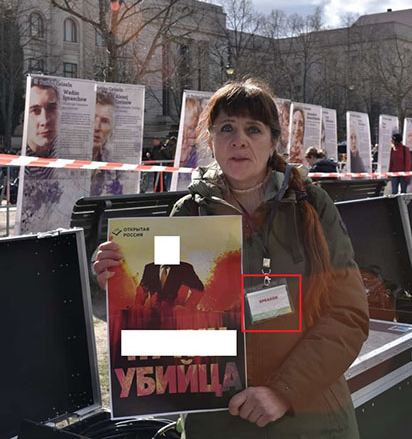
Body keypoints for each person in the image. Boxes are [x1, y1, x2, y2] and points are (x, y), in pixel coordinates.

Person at [94, 79, 368, 438]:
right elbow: (163, 313)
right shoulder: (189, 213)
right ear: (210, 140)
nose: (239, 140)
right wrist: (120, 280)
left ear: (273, 141)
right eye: (227, 128)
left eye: (253, 129)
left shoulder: (311, 206)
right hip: (217, 420)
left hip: (309, 419)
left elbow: (347, 314)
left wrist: (283, 392)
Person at [25, 83, 60, 179]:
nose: (44, 120)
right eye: (35, 110)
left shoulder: (64, 152)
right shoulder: (22, 168)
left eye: (51, 108)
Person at [91, 91, 120, 196]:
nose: (97, 127)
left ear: (111, 130)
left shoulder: (114, 170)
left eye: (104, 121)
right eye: (92, 118)